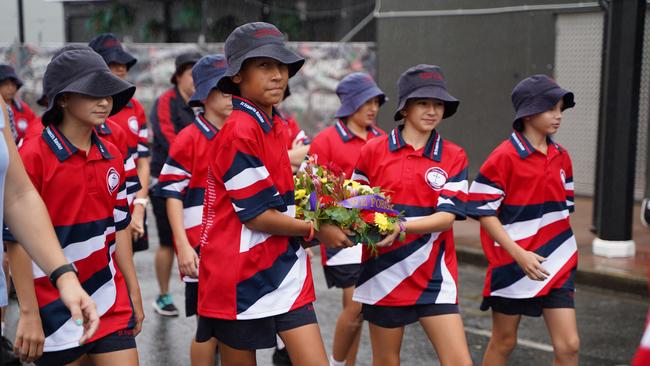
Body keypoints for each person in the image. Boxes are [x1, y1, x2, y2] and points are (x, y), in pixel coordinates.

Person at [195, 22, 354, 366]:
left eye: (282, 66)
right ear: (237, 74)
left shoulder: (274, 124)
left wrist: (338, 212)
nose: (278, 75)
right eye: (264, 65)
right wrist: (317, 231)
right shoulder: (239, 130)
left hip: (283, 264)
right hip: (238, 274)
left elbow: (282, 201)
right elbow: (256, 215)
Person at [5, 46, 143, 366]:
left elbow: (119, 229)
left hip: (111, 301)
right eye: (93, 92)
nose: (105, 100)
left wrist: (133, 292)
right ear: (63, 99)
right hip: (53, 306)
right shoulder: (32, 156)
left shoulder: (113, 153)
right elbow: (16, 241)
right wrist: (29, 313)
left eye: (109, 92)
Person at [350, 64, 472, 366]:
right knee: (387, 362)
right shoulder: (373, 150)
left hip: (434, 275)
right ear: (405, 108)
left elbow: (447, 217)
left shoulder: (454, 155)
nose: (432, 111)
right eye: (423, 103)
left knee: (460, 362)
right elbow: (356, 203)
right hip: (383, 273)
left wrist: (401, 224)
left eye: (438, 104)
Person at [467, 74, 579, 366]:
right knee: (504, 341)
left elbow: (564, 212)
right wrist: (518, 254)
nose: (558, 116)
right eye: (550, 108)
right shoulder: (503, 157)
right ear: (528, 113)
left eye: (560, 109)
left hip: (559, 263)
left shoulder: (562, 156)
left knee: (569, 346)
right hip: (512, 264)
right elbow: (483, 211)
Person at [156, 54, 231, 366]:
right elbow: (171, 193)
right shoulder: (189, 137)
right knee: (208, 329)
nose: (231, 97)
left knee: (233, 328)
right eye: (223, 91)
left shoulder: (240, 132)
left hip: (234, 243)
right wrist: (184, 247)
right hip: (201, 246)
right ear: (204, 95)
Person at [309, 72, 386, 366]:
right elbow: (312, 189)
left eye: (376, 101)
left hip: (378, 234)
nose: (373, 108)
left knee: (372, 312)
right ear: (349, 104)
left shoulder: (383, 138)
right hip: (343, 238)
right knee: (355, 310)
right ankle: (337, 363)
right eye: (366, 101)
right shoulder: (327, 139)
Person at [150, 50, 202, 316]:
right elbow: (169, 140)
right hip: (166, 181)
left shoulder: (202, 102)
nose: (196, 79)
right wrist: (196, 161)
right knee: (169, 242)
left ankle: (204, 292)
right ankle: (162, 295)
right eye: (191, 74)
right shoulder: (165, 101)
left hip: (198, 183)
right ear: (179, 76)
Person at [89, 33, 151, 252]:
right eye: (112, 64)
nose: (121, 69)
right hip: (98, 208)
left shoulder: (136, 107)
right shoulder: (87, 110)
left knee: (126, 269)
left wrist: (139, 208)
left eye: (123, 63)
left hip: (132, 203)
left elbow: (142, 162)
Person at [0, 64, 36, 143]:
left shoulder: (25, 110)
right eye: (6, 84)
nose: (11, 88)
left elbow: (35, 131)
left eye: (13, 85)